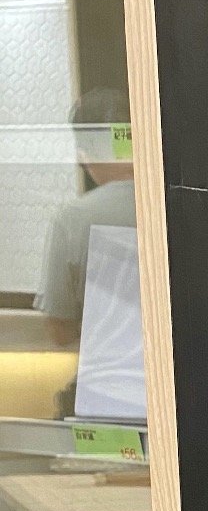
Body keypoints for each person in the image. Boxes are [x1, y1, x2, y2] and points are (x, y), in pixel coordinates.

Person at [35, 87, 136, 351]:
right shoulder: (185, 204)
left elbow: (59, 330)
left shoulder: (72, 220)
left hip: (108, 369)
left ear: (85, 152)